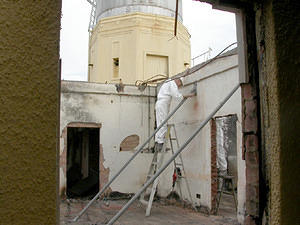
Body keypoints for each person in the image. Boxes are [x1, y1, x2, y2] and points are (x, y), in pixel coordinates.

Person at [154, 78, 195, 150]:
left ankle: (158, 141)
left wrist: (186, 73)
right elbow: (177, 95)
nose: (179, 87)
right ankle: (160, 142)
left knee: (160, 122)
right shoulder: (172, 83)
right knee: (163, 122)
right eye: (180, 85)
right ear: (178, 81)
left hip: (160, 104)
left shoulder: (168, 82)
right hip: (163, 104)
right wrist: (189, 95)